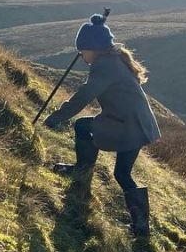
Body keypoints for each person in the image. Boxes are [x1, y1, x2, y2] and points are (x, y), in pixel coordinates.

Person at [44, 13, 162, 237]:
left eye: (82, 51)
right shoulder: (114, 59)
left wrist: (55, 118)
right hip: (137, 124)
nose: (81, 56)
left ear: (94, 48)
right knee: (122, 173)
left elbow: (83, 97)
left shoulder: (105, 66)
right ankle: (141, 227)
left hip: (127, 126)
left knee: (82, 127)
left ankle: (82, 171)